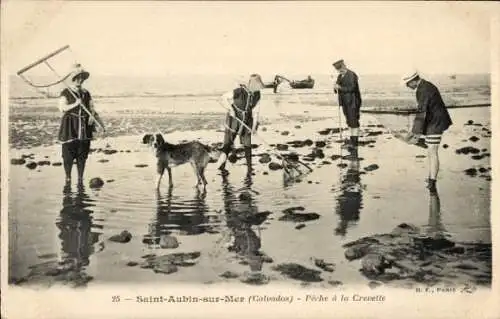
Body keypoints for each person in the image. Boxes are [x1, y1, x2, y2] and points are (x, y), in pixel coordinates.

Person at [402, 71, 452, 192]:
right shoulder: (425, 85)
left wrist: (414, 132)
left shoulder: (423, 89)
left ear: (413, 80)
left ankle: (432, 182)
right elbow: (423, 110)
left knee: (432, 151)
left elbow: (421, 111)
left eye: (407, 84)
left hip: (436, 122)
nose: (407, 86)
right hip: (434, 120)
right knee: (430, 149)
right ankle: (431, 178)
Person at [58, 64, 105, 185]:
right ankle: (68, 179)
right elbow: (62, 108)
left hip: (84, 127)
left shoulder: (86, 93)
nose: (80, 80)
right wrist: (76, 104)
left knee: (82, 154)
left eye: (82, 78)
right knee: (68, 155)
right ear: (73, 79)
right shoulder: (66, 92)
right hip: (70, 126)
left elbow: (92, 108)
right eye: (77, 78)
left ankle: (80, 179)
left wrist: (99, 122)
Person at [217, 74, 265, 175]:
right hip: (234, 119)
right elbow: (223, 98)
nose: (257, 89)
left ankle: (249, 168)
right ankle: (222, 166)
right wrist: (231, 109)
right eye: (255, 87)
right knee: (228, 143)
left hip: (247, 119)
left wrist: (254, 127)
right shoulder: (239, 91)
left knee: (247, 144)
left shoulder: (257, 95)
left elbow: (256, 112)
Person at [333, 59, 362, 153]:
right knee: (349, 122)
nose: (340, 70)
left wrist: (340, 87)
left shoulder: (351, 75)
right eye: (338, 70)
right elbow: (338, 88)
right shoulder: (340, 76)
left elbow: (352, 88)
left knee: (353, 122)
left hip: (353, 102)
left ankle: (355, 144)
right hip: (345, 102)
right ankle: (352, 142)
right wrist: (335, 88)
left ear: (344, 66)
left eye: (341, 68)